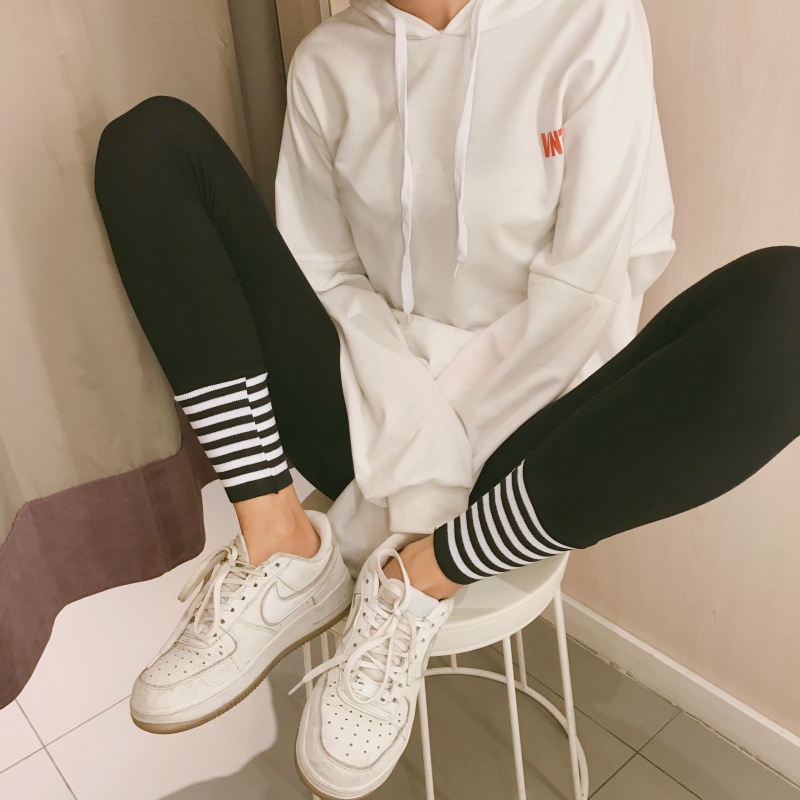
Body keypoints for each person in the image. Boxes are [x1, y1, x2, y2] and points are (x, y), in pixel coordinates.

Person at [93, 0, 800, 795]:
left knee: (787, 309)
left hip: (528, 440)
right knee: (148, 144)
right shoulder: (327, 62)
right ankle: (277, 538)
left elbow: (586, 290)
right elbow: (324, 274)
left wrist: (426, 473)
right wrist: (408, 418)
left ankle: (423, 574)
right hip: (368, 402)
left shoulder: (593, 22)